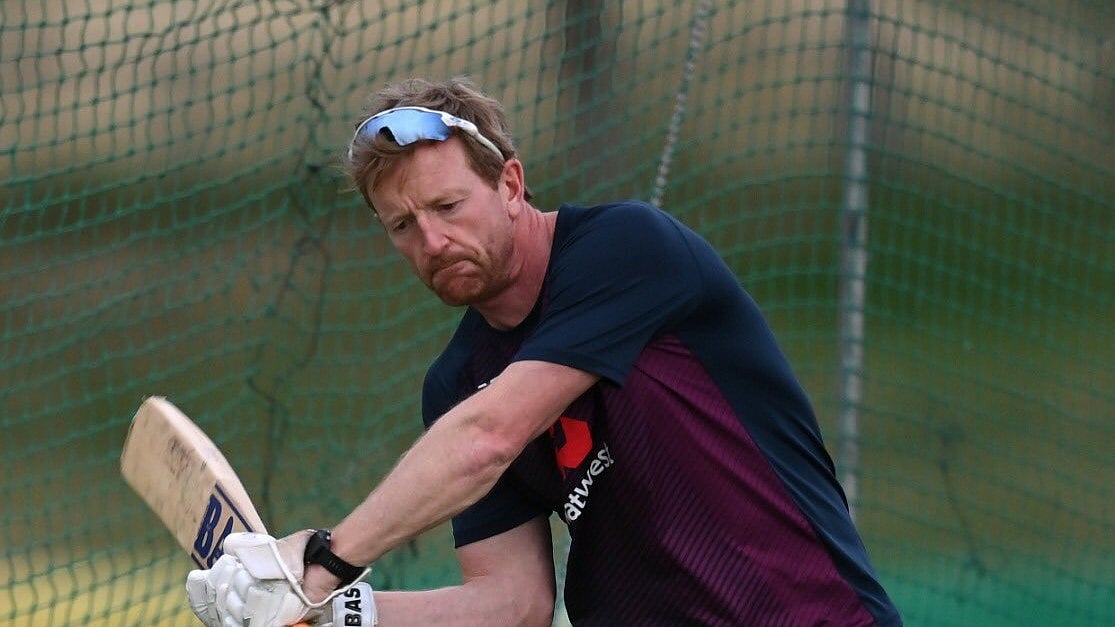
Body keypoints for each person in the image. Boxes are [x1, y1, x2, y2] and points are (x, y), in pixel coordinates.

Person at [186, 76, 903, 626]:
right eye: (401, 224)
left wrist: (319, 562)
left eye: (446, 207)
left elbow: (490, 438)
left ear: (510, 184)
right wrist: (340, 610)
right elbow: (514, 603)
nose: (430, 242)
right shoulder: (457, 383)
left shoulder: (629, 248)